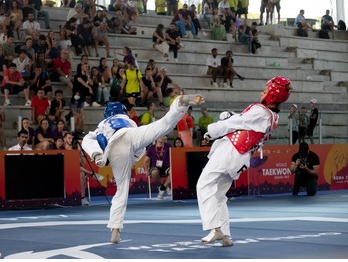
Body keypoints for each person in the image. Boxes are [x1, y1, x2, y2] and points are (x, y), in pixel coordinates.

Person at [82, 93, 205, 243]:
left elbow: (87, 140)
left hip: (113, 148)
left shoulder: (101, 125)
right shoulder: (127, 120)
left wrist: (97, 154)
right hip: (131, 135)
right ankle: (180, 104)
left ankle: (115, 229)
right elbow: (138, 150)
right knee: (162, 126)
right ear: (123, 111)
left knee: (121, 190)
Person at [197, 76, 292, 247]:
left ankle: (215, 228)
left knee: (203, 185)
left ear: (272, 95)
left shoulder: (261, 111)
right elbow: (244, 121)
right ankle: (225, 235)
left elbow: (235, 123)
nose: (261, 93)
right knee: (218, 196)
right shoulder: (272, 116)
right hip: (240, 158)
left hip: (230, 151)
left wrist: (212, 131)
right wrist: (231, 116)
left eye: (265, 90)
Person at [144, 135, 172, 199]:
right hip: (155, 167)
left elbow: (174, 155)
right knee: (154, 173)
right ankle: (165, 187)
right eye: (160, 136)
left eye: (163, 136)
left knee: (172, 171)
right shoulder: (151, 148)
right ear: (156, 138)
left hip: (166, 167)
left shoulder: (168, 146)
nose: (162, 138)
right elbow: (145, 161)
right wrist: (146, 170)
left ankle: (163, 188)